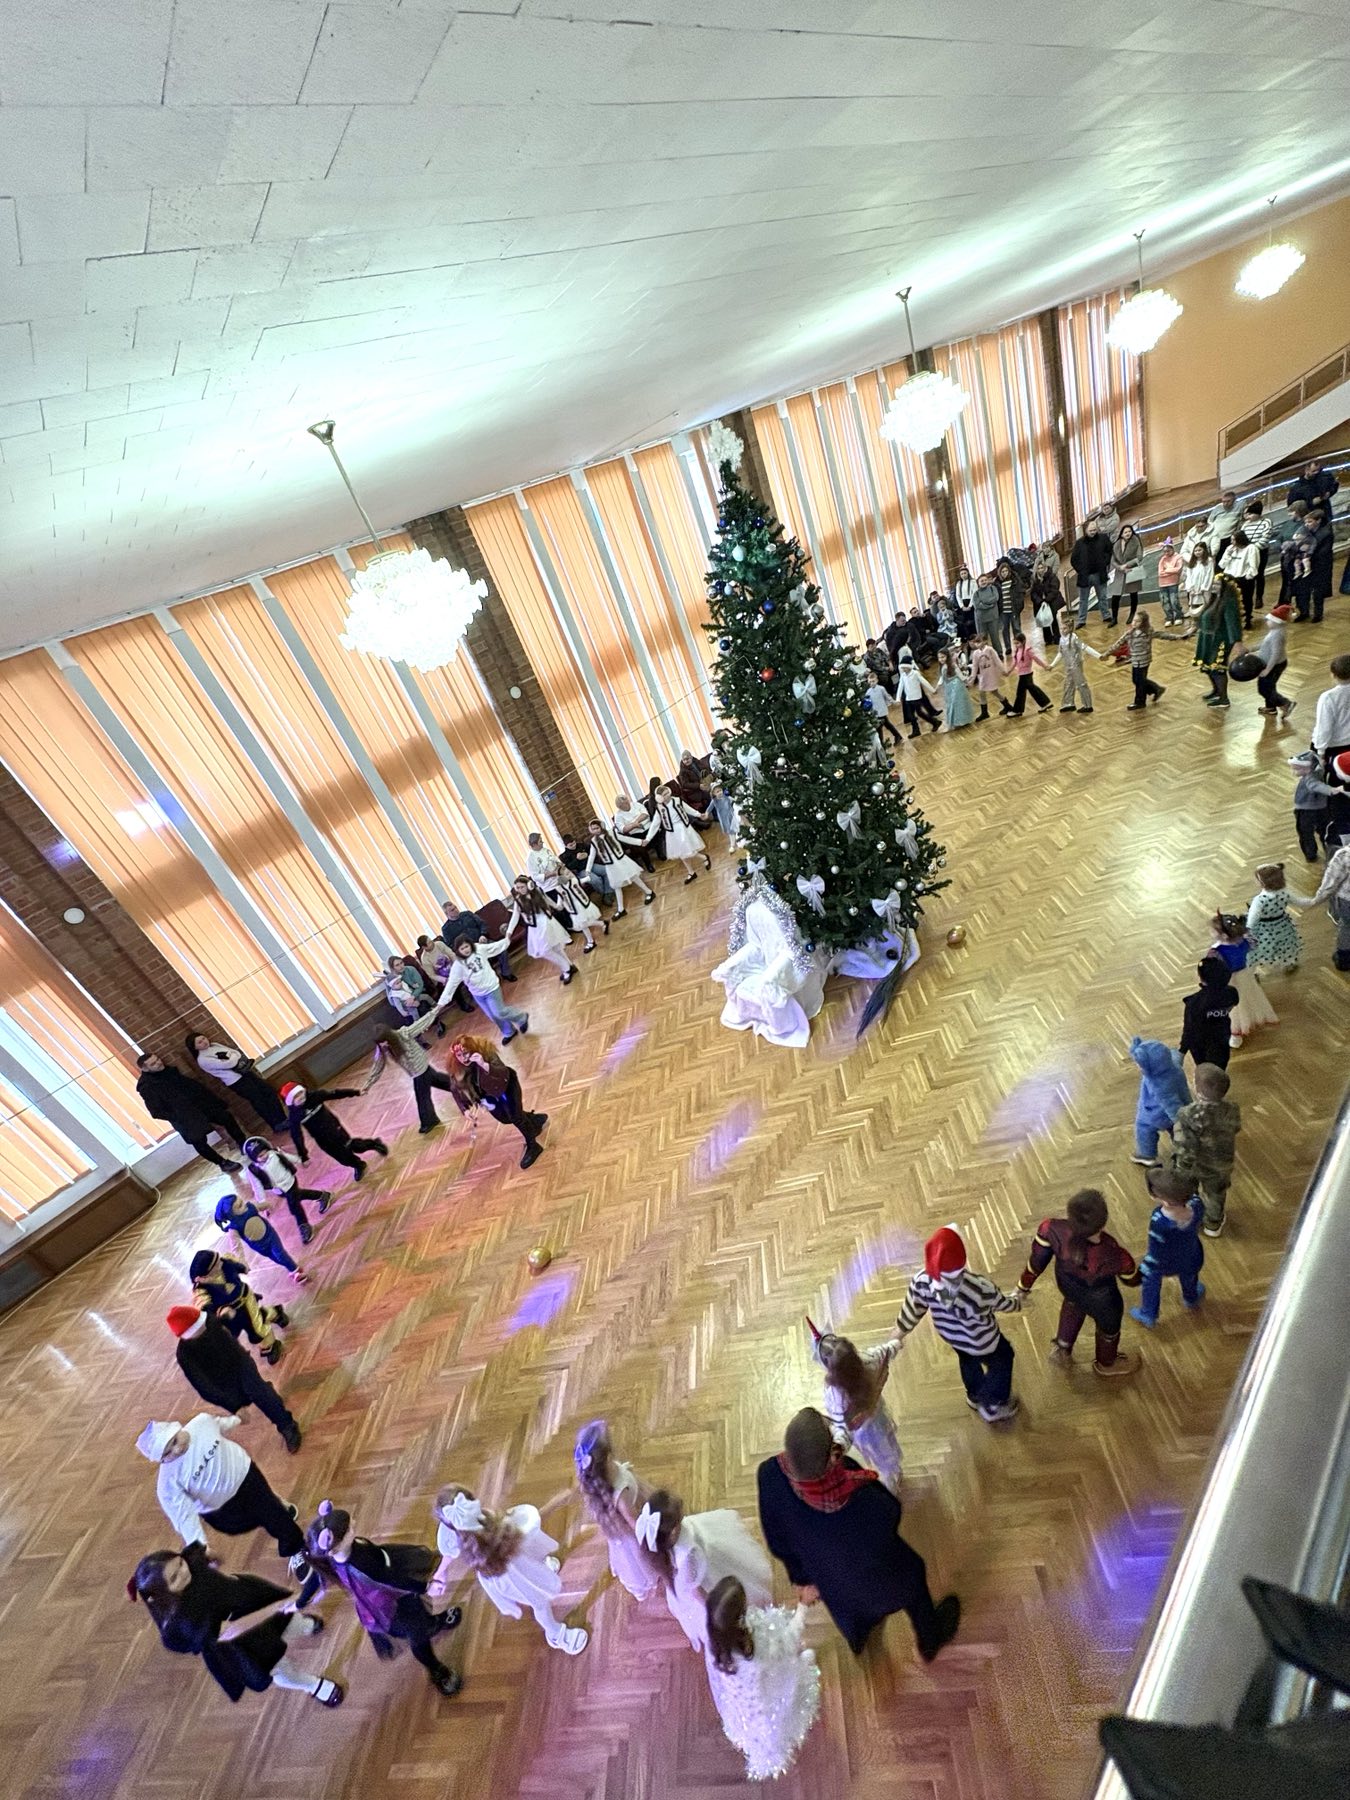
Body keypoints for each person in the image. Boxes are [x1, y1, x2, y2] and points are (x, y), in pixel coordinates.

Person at [756, 1408, 959, 1660]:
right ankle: (930, 1640)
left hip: (830, 1584)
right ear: (829, 1457)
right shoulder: (852, 1483)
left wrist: (803, 1578)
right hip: (885, 1582)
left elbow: (777, 1541)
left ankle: (858, 1639)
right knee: (915, 1577)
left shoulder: (769, 1474)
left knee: (850, 1616)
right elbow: (891, 1512)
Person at [128, 1542, 342, 1708]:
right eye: (175, 1577)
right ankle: (313, 1685)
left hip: (247, 1600)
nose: (184, 1571)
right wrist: (281, 1605)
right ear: (165, 1595)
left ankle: (304, 1625)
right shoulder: (187, 1621)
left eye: (180, 1564)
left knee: (289, 1621)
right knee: (277, 1666)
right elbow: (234, 1629)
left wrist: (215, 1565)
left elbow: (209, 1557)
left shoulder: (188, 1564)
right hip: (243, 1642)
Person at [298, 1501, 463, 1698]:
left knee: (419, 1613)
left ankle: (434, 1623)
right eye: (349, 1528)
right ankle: (436, 1669)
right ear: (335, 1547)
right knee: (417, 1634)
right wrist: (426, 1587)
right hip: (389, 1607)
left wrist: (299, 1602)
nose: (354, 1523)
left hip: (391, 1585)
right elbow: (392, 1580)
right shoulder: (360, 1566)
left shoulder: (343, 1553)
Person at [429, 1485, 588, 1655]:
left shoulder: (454, 1528)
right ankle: (555, 1634)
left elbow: (448, 1551)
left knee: (535, 1572)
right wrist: (558, 1501)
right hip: (516, 1576)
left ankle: (540, 1570)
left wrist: (440, 1572)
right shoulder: (499, 1533)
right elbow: (530, 1525)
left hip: (502, 1575)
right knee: (540, 1602)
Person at [893, 1224, 1023, 1422]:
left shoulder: (921, 1281)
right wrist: (1016, 1301)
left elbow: (912, 1311)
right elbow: (1003, 1304)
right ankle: (993, 1404)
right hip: (984, 1340)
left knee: (968, 1361)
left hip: (953, 1337)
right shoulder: (979, 1287)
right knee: (1004, 1359)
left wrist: (898, 1334)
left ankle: (974, 1395)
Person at [135, 1413, 305, 1558]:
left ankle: (295, 1547)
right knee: (247, 1522)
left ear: (178, 1429)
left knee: (272, 1516)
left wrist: (237, 1419)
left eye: (174, 1441)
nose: (177, 1450)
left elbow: (220, 1424)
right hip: (221, 1509)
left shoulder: (201, 1423)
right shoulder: (167, 1483)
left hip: (245, 1476)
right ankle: (274, 1505)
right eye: (167, 1454)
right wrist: (200, 1546)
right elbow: (183, 1516)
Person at [703, 1578, 821, 1783]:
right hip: (767, 1691)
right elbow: (788, 1642)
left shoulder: (717, 1642)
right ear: (739, 1616)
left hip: (745, 1700)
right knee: (792, 1677)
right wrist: (803, 1605)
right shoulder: (757, 1654)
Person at [1017, 1190, 1142, 1377]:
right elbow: (1132, 1280)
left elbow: (1037, 1261)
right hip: (1104, 1302)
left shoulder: (1051, 1228)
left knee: (1073, 1304)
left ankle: (1062, 1348)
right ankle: (1106, 1364)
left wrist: (1023, 1286)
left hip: (1068, 1286)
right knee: (1109, 1329)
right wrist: (1145, 1271)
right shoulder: (1114, 1253)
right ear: (1103, 1222)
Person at [635, 1487, 773, 1653]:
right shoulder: (688, 1556)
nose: (683, 1518)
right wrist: (714, 1612)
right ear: (673, 1531)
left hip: (705, 1551)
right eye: (680, 1518)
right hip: (702, 1576)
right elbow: (696, 1592)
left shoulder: (670, 1542)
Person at [167, 1304, 301, 1454]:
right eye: (199, 1328)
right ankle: (267, 1392)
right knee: (248, 1398)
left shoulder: (209, 1320)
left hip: (240, 1362)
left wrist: (229, 1316)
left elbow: (224, 1323)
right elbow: (204, 1388)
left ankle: (287, 1426)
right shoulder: (184, 1355)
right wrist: (234, 1407)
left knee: (259, 1393)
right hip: (223, 1383)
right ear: (188, 1335)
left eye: (202, 1323)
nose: (204, 1327)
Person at [573, 1420, 663, 1601]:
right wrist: (656, 1542)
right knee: (640, 1566)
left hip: (623, 1527)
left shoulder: (602, 1478)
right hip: (633, 1534)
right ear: (607, 1458)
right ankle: (645, 1585)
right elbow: (636, 1526)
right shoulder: (621, 1497)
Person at [813, 1323, 903, 1493]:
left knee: (881, 1453)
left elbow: (842, 1428)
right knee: (887, 1449)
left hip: (864, 1431)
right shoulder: (868, 1359)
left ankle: (892, 1476)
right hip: (878, 1417)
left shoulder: (836, 1395)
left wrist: (838, 1447)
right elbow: (885, 1352)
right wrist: (896, 1344)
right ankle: (893, 1471)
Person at [444, 1034, 547, 1169]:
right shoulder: (457, 1068)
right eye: (459, 1055)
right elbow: (455, 1088)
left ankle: (533, 1145)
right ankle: (535, 1120)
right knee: (505, 1118)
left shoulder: (487, 1052)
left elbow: (502, 1074)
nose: (464, 1058)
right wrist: (465, 1109)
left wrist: (484, 1065)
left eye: (466, 1053)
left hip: (507, 1085)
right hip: (488, 1097)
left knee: (515, 1117)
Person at [135, 1051, 247, 1172]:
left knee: (226, 1118)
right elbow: (156, 1112)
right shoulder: (147, 1087)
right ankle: (222, 1163)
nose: (159, 1063)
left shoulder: (169, 1071)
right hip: (184, 1117)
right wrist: (179, 1116)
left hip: (200, 1105)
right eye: (153, 1064)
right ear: (145, 1069)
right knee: (198, 1141)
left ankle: (243, 1143)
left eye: (157, 1059)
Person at [1129, 1167, 1205, 1330]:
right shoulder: (1197, 1205)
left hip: (1165, 1261)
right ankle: (1191, 1298)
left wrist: (1148, 1264)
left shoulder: (1159, 1220)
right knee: (1190, 1276)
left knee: (1151, 1280)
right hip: (1191, 1253)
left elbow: (1155, 1247)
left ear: (1163, 1200)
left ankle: (1148, 1314)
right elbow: (1195, 1203)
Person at [1171, 1063, 1241, 1239]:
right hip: (1221, 1164)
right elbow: (1236, 1127)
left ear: (1198, 1089)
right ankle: (1213, 1224)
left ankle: (1191, 1214)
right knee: (1216, 1194)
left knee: (1189, 1190)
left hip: (1195, 1165)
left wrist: (1181, 1169)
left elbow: (1185, 1145)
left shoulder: (1187, 1114)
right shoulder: (1232, 1108)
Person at [428, 934, 528, 1046]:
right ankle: (509, 1032)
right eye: (462, 948)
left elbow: (494, 947)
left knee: (499, 1012)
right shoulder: (458, 966)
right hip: (478, 994)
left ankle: (522, 1018)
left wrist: (506, 940)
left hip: (491, 988)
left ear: (470, 945)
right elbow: (451, 985)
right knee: (493, 1016)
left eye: (467, 946)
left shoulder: (479, 949)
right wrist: (440, 1004)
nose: (466, 950)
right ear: (458, 951)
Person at [189, 1249, 289, 1358]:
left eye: (218, 1260)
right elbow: (203, 1306)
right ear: (206, 1274)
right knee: (239, 1329)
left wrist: (242, 1267)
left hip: (245, 1299)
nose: (220, 1263)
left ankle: (270, 1345)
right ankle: (275, 1313)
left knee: (256, 1328)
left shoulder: (226, 1261)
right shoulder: (201, 1289)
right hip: (229, 1314)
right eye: (216, 1264)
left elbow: (241, 1265)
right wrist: (219, 1311)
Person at [281, 1080, 387, 1180]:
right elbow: (296, 1135)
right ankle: (358, 1165)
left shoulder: (315, 1096)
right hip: (322, 1140)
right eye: (296, 1097)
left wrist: (356, 1092)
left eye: (300, 1093)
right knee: (342, 1158)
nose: (300, 1097)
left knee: (354, 1147)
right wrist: (304, 1156)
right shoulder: (294, 1116)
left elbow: (335, 1093)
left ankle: (375, 1144)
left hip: (334, 1129)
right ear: (291, 1101)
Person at [187, 1033, 287, 1131]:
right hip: (236, 1081)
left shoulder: (215, 1045)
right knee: (258, 1100)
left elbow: (236, 1053)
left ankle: (283, 1118)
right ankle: (276, 1123)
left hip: (245, 1071)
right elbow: (228, 1064)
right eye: (199, 1042)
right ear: (195, 1047)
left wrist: (231, 1057)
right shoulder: (203, 1059)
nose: (204, 1042)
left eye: (203, 1038)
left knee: (268, 1091)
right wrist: (232, 1057)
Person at [1209, 910, 1278, 1049]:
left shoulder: (1216, 952)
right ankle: (1247, 1021)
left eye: (1212, 930)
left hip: (1229, 980)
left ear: (1223, 935)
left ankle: (1235, 1034)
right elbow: (1254, 943)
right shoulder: (1244, 942)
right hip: (1245, 975)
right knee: (1247, 998)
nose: (1210, 932)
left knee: (1233, 1007)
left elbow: (1213, 968)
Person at [243, 1137, 330, 1247]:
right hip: (279, 1190)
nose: (264, 1156)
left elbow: (288, 1157)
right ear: (253, 1158)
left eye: (265, 1152)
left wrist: (301, 1160)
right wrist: (262, 1202)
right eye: (260, 1156)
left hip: (290, 1182)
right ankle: (322, 1195)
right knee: (298, 1195)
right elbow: (257, 1186)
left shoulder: (275, 1154)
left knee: (294, 1206)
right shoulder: (253, 1170)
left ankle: (304, 1225)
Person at [213, 1190, 305, 1281]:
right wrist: (242, 1262)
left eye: (242, 1201)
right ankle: (291, 1268)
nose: (244, 1205)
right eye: (240, 1206)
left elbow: (261, 1206)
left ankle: (295, 1270)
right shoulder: (233, 1229)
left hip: (270, 1234)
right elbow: (236, 1248)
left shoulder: (250, 1207)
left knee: (280, 1254)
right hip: (260, 1246)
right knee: (277, 1258)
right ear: (231, 1214)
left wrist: (268, 1205)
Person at [1129, 1036, 1190, 1168]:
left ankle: (1146, 1155)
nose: (1138, 1066)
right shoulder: (1173, 1066)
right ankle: (1183, 1147)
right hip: (1184, 1105)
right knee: (1175, 1130)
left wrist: (1179, 1120)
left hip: (1157, 1114)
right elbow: (1175, 1055)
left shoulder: (1157, 1083)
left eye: (1140, 1065)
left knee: (1144, 1127)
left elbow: (1171, 1104)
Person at [505, 876, 577, 983]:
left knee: (555, 948)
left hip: (547, 923)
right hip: (535, 928)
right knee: (545, 951)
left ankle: (567, 968)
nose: (519, 890)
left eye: (522, 887)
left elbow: (550, 903)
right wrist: (509, 932)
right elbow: (515, 916)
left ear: (529, 885)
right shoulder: (518, 901)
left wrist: (559, 904)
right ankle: (568, 966)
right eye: (517, 888)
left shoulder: (538, 892)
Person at [1293, 838, 1350, 970]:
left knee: (1347, 927)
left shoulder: (1345, 855)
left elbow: (1330, 884)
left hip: (1347, 902)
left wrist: (1317, 900)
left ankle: (1344, 959)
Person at [1179, 955, 1240, 1072]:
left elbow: (1189, 1030)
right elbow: (1232, 1005)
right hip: (1221, 1036)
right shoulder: (1231, 993)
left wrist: (1182, 1051)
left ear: (1201, 978)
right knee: (1221, 1064)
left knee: (1204, 1068)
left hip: (1201, 1043)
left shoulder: (1194, 1003)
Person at [1236, 605, 1296, 721]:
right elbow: (1264, 645)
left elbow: (1276, 654)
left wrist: (1268, 669)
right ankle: (1270, 708)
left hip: (1274, 666)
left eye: (1270, 620)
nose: (1267, 622)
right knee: (1269, 687)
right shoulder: (1275, 631)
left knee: (1264, 689)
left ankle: (1286, 703)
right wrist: (1250, 649)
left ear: (1278, 622)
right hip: (1270, 664)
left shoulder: (1277, 634)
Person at [585, 821, 656, 917]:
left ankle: (649, 892)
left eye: (597, 828)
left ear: (601, 827)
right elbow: (591, 856)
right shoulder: (594, 841)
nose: (596, 831)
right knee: (616, 886)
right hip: (610, 865)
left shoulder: (611, 833)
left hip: (620, 861)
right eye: (593, 829)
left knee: (633, 877)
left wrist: (640, 842)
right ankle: (621, 909)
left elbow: (625, 839)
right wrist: (588, 869)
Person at [1247, 861, 1307, 973]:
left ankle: (1255, 969)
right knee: (1286, 944)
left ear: (1263, 882)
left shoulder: (1259, 900)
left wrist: (1248, 929)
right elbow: (1301, 902)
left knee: (1261, 947)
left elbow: (1253, 917)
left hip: (1264, 928)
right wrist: (1316, 899)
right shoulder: (1285, 893)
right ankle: (1289, 963)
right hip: (1283, 925)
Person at [439, 898, 516, 983]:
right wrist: (465, 949)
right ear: (447, 914)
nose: (456, 910)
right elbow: (451, 945)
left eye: (455, 907)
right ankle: (491, 978)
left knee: (501, 949)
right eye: (452, 910)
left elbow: (482, 924)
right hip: (469, 951)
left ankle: (506, 973)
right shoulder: (446, 929)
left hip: (482, 942)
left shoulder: (467, 914)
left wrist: (483, 935)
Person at [1107, 611, 1172, 711]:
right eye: (1134, 620)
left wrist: (1180, 636)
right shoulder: (1130, 633)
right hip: (1135, 660)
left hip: (1144, 661)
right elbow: (1118, 643)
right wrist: (1107, 654)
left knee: (1140, 682)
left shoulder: (1148, 632)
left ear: (1143, 623)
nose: (1134, 623)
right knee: (1136, 680)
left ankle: (1140, 702)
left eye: (1138, 621)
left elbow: (1162, 635)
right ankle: (1156, 689)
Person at [1192, 581, 1242, 708]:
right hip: (1207, 639)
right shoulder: (1214, 599)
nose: (1214, 587)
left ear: (1225, 586)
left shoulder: (1229, 602)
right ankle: (1217, 691)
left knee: (1217, 668)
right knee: (1208, 667)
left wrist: (1236, 642)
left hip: (1220, 640)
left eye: (1218, 585)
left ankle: (1224, 699)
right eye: (1213, 584)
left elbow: (1232, 623)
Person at [649, 783, 712, 884]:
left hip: (683, 829)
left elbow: (688, 809)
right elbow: (655, 824)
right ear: (659, 798)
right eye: (664, 795)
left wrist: (699, 815)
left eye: (667, 793)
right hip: (671, 833)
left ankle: (704, 857)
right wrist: (648, 838)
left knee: (688, 850)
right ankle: (691, 872)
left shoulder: (677, 800)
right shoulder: (659, 808)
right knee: (682, 853)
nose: (667, 795)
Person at [1290, 750, 1337, 862]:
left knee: (1305, 833)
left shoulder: (1309, 778)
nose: (1293, 772)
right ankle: (1331, 851)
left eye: (1296, 769)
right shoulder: (1318, 771)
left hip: (1305, 809)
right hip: (1322, 806)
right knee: (1325, 830)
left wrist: (1331, 790)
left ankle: (1310, 854)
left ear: (1307, 768)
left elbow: (1315, 785)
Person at [1050, 612, 1101, 713]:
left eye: (1064, 629)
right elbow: (1060, 653)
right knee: (1068, 683)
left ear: (1070, 629)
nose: (1062, 631)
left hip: (1076, 665)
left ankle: (1087, 705)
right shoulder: (1062, 639)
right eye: (1061, 628)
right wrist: (1052, 665)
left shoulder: (1074, 639)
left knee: (1081, 684)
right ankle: (1068, 703)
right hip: (1068, 665)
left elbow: (1085, 647)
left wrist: (1099, 656)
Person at [1071, 520, 1113, 626]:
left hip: (1100, 574)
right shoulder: (1079, 543)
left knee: (1102, 597)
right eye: (1091, 530)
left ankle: (1106, 615)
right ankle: (1081, 620)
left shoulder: (1103, 539)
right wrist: (1081, 570)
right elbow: (1074, 560)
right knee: (1083, 600)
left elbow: (1109, 551)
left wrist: (1104, 562)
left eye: (1094, 530)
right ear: (1085, 530)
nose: (1093, 532)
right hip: (1085, 577)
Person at [1312, 655, 1350, 772]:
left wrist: (1320, 753)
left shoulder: (1328, 698)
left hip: (1334, 747)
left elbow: (1324, 727)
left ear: (1333, 675)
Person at [894, 649, 941, 736]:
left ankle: (935, 722)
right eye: (902, 668)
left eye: (905, 667)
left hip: (916, 697)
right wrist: (897, 699)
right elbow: (900, 687)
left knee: (920, 713)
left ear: (909, 666)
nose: (903, 669)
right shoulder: (903, 676)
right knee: (911, 715)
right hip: (908, 698)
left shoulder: (915, 674)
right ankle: (916, 730)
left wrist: (932, 690)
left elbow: (924, 682)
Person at [1219, 530, 1260, 628]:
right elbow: (1221, 565)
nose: (1232, 542)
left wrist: (1248, 577)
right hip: (1229, 577)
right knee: (1229, 601)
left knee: (1246, 600)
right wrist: (1228, 555)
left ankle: (1247, 619)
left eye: (1234, 540)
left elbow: (1253, 565)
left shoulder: (1251, 548)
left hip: (1243, 579)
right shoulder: (1229, 548)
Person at [1005, 632, 1052, 716]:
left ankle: (1017, 710)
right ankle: (1045, 703)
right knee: (1030, 689)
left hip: (1026, 674)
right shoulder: (1017, 651)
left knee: (1022, 692)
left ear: (1023, 641)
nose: (1016, 645)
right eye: (1015, 643)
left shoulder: (1028, 650)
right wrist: (1009, 671)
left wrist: (1045, 666)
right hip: (1022, 674)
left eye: (1017, 643)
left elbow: (1036, 659)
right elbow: (1014, 662)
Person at [969, 634, 1012, 720]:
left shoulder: (990, 650)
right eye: (976, 643)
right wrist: (972, 678)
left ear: (985, 641)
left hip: (991, 674)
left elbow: (997, 661)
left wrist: (1003, 670)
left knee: (991, 691)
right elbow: (975, 666)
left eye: (979, 642)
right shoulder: (975, 653)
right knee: (985, 692)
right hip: (982, 675)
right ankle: (987, 712)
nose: (977, 644)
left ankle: (1006, 706)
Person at [612, 794, 658, 874]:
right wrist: (633, 825)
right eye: (624, 804)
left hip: (648, 827)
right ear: (619, 807)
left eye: (627, 801)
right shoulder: (618, 816)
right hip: (635, 833)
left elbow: (645, 814)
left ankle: (661, 853)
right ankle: (648, 864)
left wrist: (635, 822)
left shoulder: (636, 805)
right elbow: (623, 829)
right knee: (639, 846)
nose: (627, 804)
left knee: (656, 834)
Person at [1110, 523, 1145, 625]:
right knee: (1115, 596)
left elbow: (1139, 557)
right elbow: (1113, 559)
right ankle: (1114, 618)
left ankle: (1132, 614)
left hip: (1131, 571)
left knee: (1133, 594)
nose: (1128, 533)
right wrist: (1120, 567)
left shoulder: (1136, 541)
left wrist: (1127, 565)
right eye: (1125, 532)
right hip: (1120, 572)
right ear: (1121, 534)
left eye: (1129, 531)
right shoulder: (1117, 544)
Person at [990, 556, 1026, 653]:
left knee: (1016, 628)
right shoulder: (997, 583)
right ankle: (1008, 647)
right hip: (1003, 611)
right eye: (1002, 572)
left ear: (1009, 571)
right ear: (999, 572)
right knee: (1004, 630)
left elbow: (1021, 592)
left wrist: (1019, 606)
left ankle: (1019, 646)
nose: (1004, 573)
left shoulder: (1015, 580)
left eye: (1006, 571)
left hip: (1014, 609)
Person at [1242, 500, 1274, 604]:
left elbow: (1266, 537)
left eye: (1250, 514)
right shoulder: (1245, 525)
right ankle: (1248, 598)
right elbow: (1242, 537)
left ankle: (1259, 597)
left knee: (1259, 574)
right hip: (1248, 553)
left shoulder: (1266, 522)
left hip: (1260, 552)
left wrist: (1253, 548)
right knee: (1249, 575)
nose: (1248, 516)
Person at [935, 647, 976, 731]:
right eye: (939, 657)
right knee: (951, 704)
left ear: (947, 656)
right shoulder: (942, 667)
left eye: (943, 657)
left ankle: (962, 720)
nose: (941, 659)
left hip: (957, 686)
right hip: (949, 688)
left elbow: (959, 674)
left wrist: (967, 681)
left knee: (957, 704)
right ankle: (956, 721)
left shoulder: (952, 665)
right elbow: (942, 678)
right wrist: (937, 688)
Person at [1305, 507, 1335, 618]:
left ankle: (1318, 614)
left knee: (1318, 590)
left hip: (1320, 565)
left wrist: (1309, 554)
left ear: (1318, 521)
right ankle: (1305, 611)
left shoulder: (1327, 533)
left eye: (1310, 522)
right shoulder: (1307, 532)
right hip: (1310, 563)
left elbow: (1324, 551)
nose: (1307, 524)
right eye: (1306, 522)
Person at [864, 669, 903, 744]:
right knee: (884, 726)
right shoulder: (868, 692)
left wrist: (894, 702)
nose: (872, 683)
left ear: (877, 680)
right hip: (875, 713)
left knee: (881, 727)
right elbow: (868, 703)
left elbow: (887, 696)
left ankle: (885, 741)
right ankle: (896, 736)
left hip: (882, 711)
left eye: (873, 681)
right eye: (870, 682)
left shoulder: (881, 688)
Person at [1204, 489, 1242, 558]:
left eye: (1228, 501)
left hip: (1228, 538)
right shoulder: (1218, 507)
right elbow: (1210, 521)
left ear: (1234, 500)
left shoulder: (1239, 506)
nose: (1225, 503)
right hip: (1215, 537)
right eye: (1224, 501)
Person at [524, 831, 564, 895]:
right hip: (549, 887)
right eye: (540, 841)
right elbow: (535, 877)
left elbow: (556, 860)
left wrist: (559, 865)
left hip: (559, 880)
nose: (542, 843)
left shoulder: (546, 850)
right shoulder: (530, 858)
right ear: (534, 844)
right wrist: (551, 874)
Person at [1156, 537, 1184, 624]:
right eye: (1164, 551)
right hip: (1162, 583)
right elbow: (1160, 572)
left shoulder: (1178, 557)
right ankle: (1169, 617)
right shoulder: (1163, 559)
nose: (1166, 553)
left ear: (1172, 549)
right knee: (1165, 601)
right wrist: (1171, 571)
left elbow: (1178, 569)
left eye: (1168, 551)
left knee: (1174, 600)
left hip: (1173, 582)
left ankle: (1178, 616)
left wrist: (1167, 570)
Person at [1183, 540, 1215, 615]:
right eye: (1195, 551)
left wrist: (1204, 587)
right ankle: (1196, 621)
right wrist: (1190, 588)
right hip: (1194, 588)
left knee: (1206, 605)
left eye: (1199, 550)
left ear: (1204, 550)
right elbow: (1189, 575)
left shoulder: (1209, 561)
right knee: (1194, 607)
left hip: (1204, 588)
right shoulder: (1192, 562)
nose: (1197, 552)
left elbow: (1209, 575)